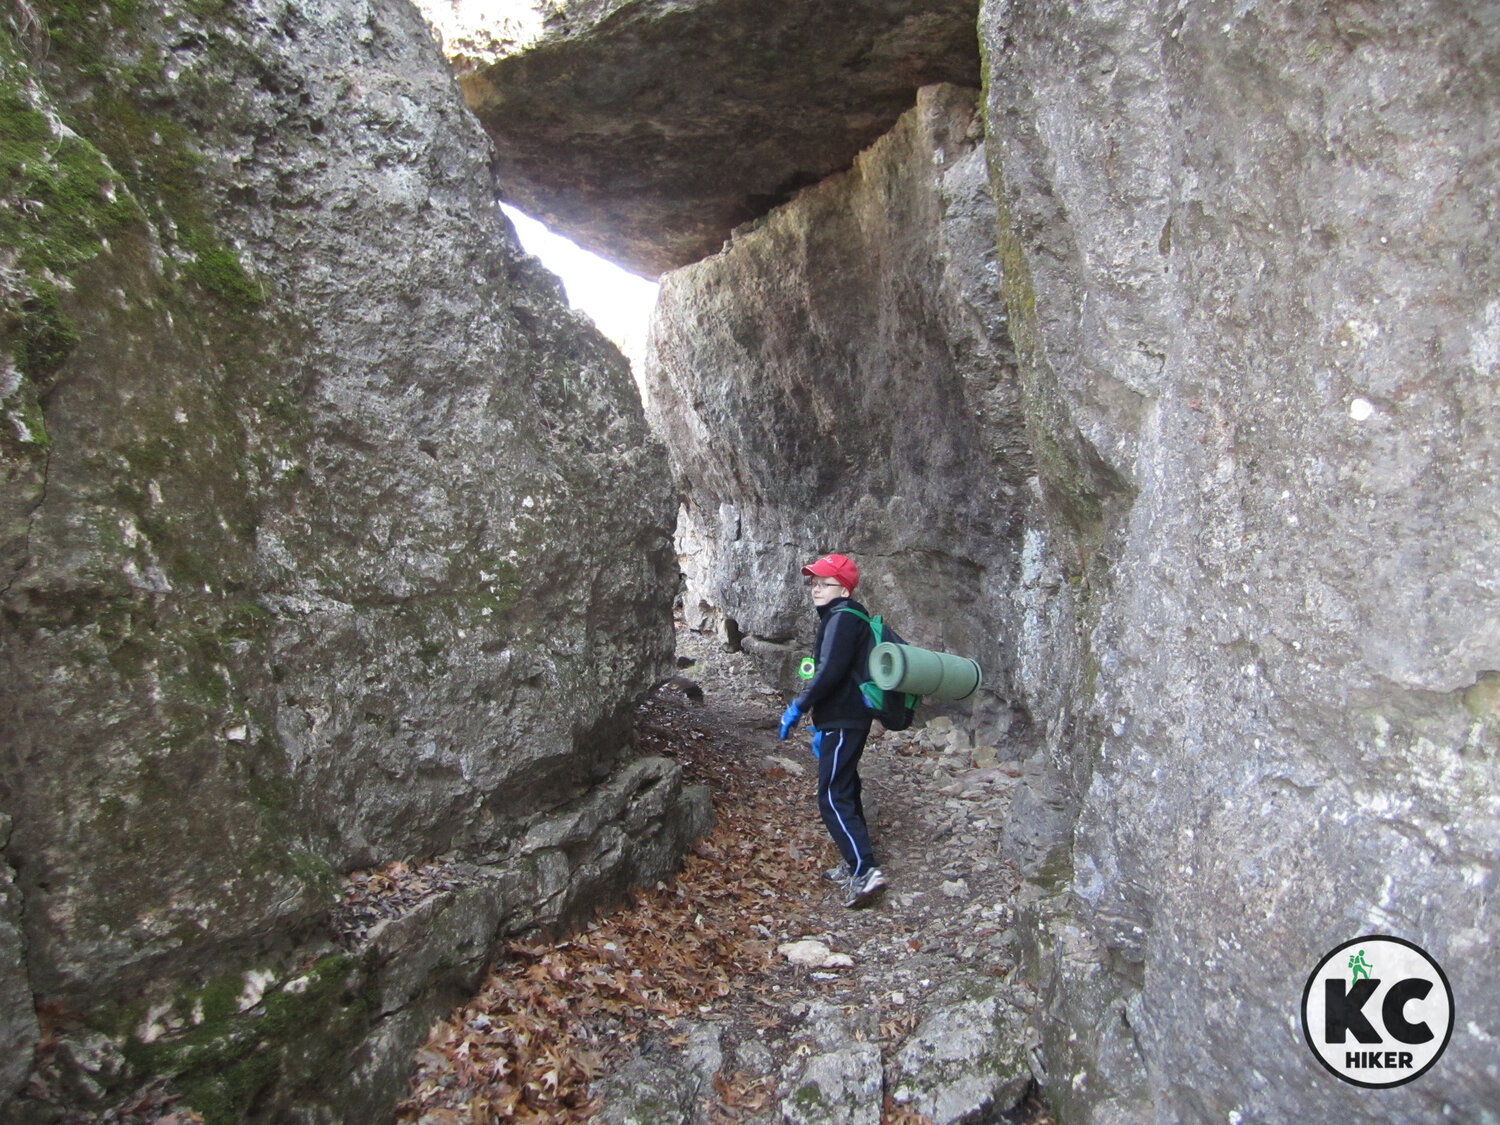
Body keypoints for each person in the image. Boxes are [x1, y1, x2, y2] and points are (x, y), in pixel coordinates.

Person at [778, 553, 887, 909]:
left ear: (844, 588)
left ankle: (865, 870)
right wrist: (821, 726)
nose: (815, 589)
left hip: (844, 719)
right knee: (846, 787)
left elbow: (829, 672)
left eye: (824, 583)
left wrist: (800, 706)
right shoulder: (847, 618)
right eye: (813, 583)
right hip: (842, 720)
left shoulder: (841, 618)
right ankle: (854, 862)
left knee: (831, 795)